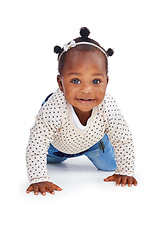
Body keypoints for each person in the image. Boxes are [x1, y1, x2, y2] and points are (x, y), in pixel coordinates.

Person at [26, 27, 138, 196]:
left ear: (106, 82)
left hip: (94, 144)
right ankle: (55, 159)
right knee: (46, 160)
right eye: (76, 80)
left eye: (96, 81)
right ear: (60, 83)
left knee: (110, 166)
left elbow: (123, 139)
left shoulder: (108, 106)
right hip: (55, 147)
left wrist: (126, 171)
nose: (87, 89)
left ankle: (103, 134)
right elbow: (37, 144)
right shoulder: (54, 109)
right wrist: (39, 178)